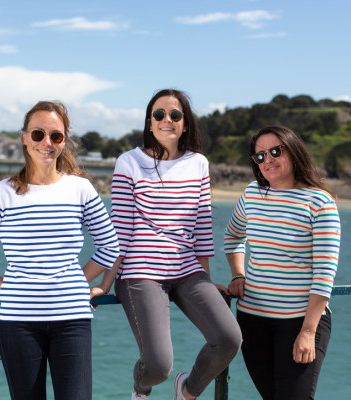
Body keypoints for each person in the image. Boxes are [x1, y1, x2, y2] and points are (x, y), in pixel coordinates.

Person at [0, 100, 119, 400]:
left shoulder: (80, 189)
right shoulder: (1, 193)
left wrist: (77, 280)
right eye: (38, 134)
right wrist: (8, 286)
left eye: (56, 136)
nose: (46, 142)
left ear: (64, 142)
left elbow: (109, 246)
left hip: (72, 321)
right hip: (19, 325)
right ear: (24, 137)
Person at [91, 89, 242, 400]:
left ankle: (186, 392)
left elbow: (201, 228)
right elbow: (118, 231)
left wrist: (207, 279)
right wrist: (105, 283)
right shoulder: (128, 162)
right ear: (150, 122)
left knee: (229, 338)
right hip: (139, 272)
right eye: (159, 115)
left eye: (175, 115)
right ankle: (140, 391)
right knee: (159, 366)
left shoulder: (199, 163)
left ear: (185, 124)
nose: (167, 120)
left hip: (188, 272)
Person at [224, 125, 341, 399]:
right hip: (252, 321)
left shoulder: (319, 203)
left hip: (299, 323)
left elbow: (325, 274)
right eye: (260, 156)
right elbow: (232, 236)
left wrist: (308, 331)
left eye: (275, 151)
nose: (268, 160)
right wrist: (238, 275)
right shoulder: (252, 194)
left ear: (294, 150)